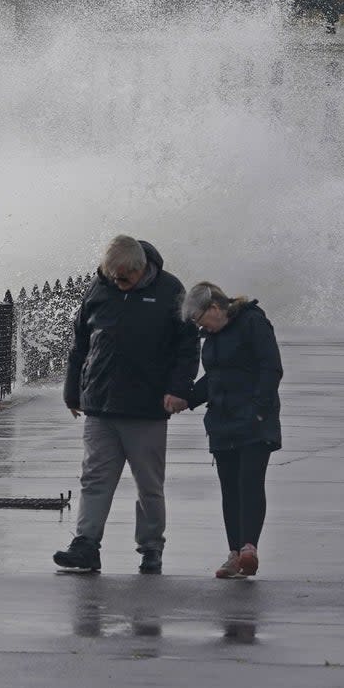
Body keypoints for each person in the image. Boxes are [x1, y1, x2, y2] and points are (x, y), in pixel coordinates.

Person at [54, 235, 199, 574]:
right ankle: (86, 545)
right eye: (112, 277)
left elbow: (188, 348)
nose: (117, 284)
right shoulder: (99, 289)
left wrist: (179, 390)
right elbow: (80, 344)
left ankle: (151, 547)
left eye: (124, 278)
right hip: (100, 404)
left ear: (141, 268)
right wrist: (72, 392)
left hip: (146, 406)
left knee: (148, 484)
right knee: (94, 478)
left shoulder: (170, 291)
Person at [182, 281, 283, 579]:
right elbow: (213, 379)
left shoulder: (252, 322)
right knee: (230, 488)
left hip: (255, 418)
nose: (204, 328)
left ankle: (249, 547)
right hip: (222, 420)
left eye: (203, 321)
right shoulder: (212, 337)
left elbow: (271, 367)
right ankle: (235, 554)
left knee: (249, 482)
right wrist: (184, 398)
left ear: (215, 307)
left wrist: (261, 409)